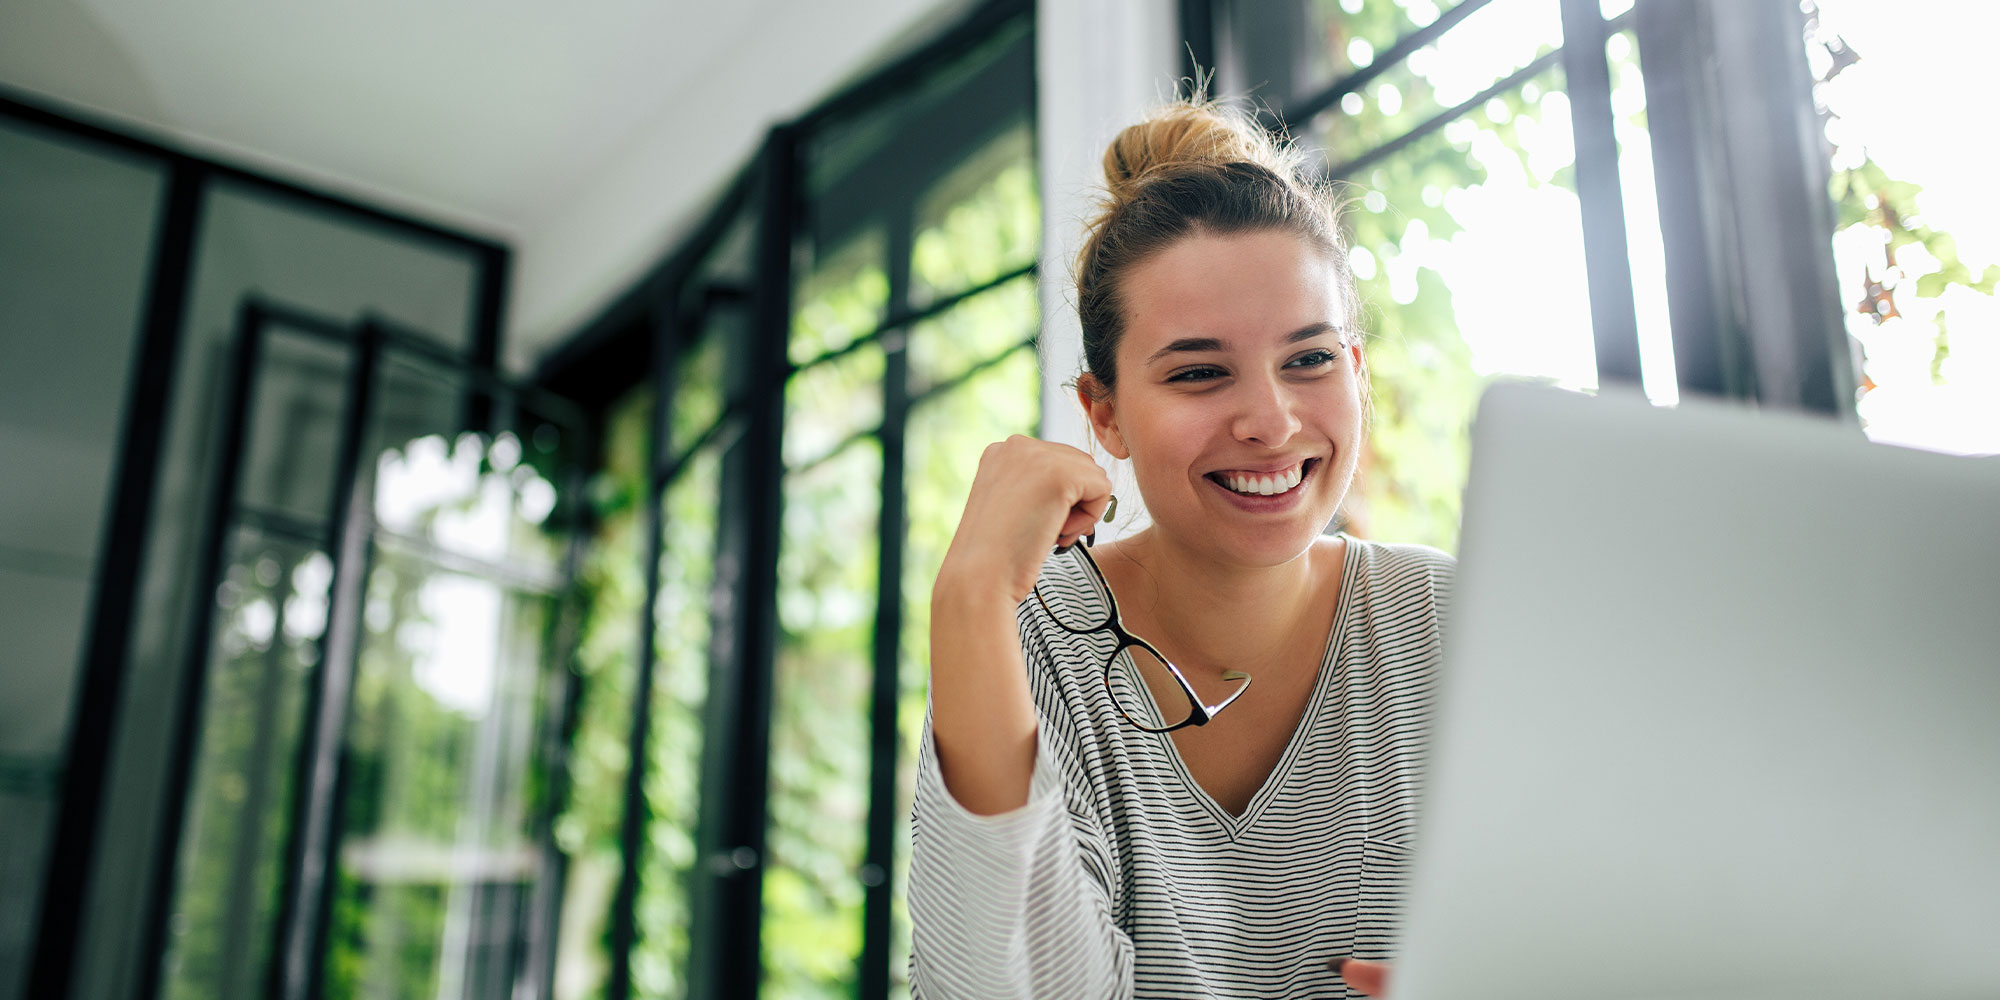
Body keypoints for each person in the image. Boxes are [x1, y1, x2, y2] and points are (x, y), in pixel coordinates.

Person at [907, 97, 1453, 999]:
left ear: (1356, 373)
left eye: (1310, 359)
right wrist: (967, 595)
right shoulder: (1031, 645)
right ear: (1105, 414)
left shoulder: (1454, 625)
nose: (1270, 421)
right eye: (1199, 372)